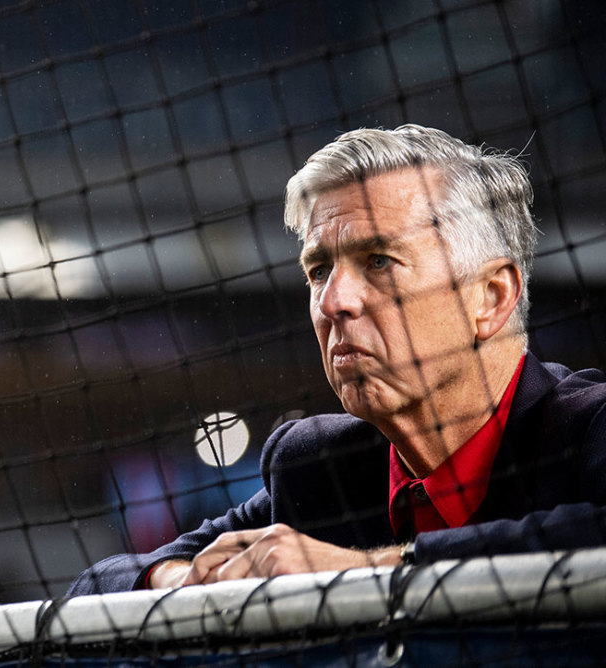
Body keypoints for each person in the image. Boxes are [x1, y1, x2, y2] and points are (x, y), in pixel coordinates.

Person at [68, 124, 606, 595]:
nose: (333, 302)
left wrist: (367, 572)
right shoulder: (318, 467)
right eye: (319, 270)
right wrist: (181, 580)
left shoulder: (588, 427)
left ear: (489, 297)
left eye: (378, 261)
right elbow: (100, 585)